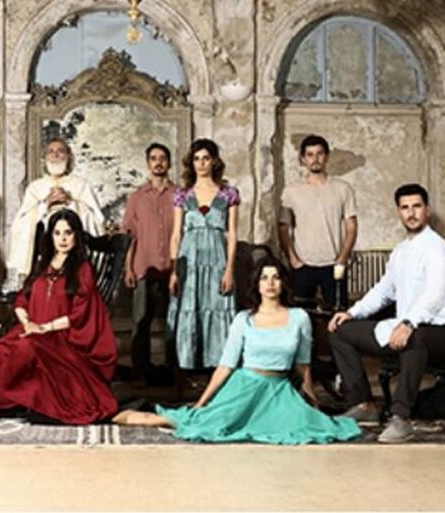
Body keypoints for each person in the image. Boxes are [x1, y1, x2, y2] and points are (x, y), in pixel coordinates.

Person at [114, 257, 361, 444]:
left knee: (315, 428)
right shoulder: (244, 319)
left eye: (275, 277)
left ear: (283, 283)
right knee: (198, 423)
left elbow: (303, 366)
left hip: (279, 391)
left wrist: (313, 404)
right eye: (264, 278)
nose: (270, 283)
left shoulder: (299, 318)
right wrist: (202, 402)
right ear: (257, 284)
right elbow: (226, 366)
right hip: (244, 388)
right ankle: (122, 415)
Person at [0, 209, 118, 429]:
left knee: (25, 348)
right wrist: (28, 323)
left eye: (68, 233)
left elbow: (80, 315)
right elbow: (21, 300)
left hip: (61, 338)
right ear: (50, 236)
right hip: (31, 330)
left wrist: (45, 328)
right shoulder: (43, 265)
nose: (62, 239)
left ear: (76, 235)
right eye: (57, 233)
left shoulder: (83, 269)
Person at [328, 184, 445, 443]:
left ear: (427, 210)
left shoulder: (437, 247)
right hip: (406, 326)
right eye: (405, 208)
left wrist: (409, 323)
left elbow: (434, 296)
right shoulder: (401, 250)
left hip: (443, 331)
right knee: (341, 332)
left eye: (417, 206)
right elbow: (384, 290)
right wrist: (352, 312)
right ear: (399, 212)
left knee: (416, 337)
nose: (411, 213)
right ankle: (364, 404)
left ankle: (402, 418)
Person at [168, 138, 238, 370]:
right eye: (197, 159)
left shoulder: (228, 194)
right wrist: (174, 270)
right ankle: (187, 366)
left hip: (217, 259)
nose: (201, 163)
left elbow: (233, 234)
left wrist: (229, 270)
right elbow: (176, 235)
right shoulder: (182, 194)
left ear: (214, 161)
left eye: (206, 158)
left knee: (218, 308)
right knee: (189, 307)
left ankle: (219, 368)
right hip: (189, 260)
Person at [7, 138, 104, 280]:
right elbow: (20, 223)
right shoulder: (35, 188)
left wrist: (71, 202)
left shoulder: (81, 185)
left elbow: (96, 219)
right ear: (45, 158)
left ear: (69, 156)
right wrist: (45, 205)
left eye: (60, 151)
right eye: (51, 151)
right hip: (43, 250)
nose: (56, 154)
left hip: (75, 251)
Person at [278, 134, 357, 309]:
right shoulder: (291, 191)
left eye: (319, 154)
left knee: (337, 314)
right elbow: (283, 228)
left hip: (334, 264)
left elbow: (351, 227)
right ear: (303, 159)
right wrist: (294, 260)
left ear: (326, 157)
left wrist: (342, 258)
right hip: (303, 264)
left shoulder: (343, 188)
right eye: (310, 154)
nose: (315, 159)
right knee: (300, 315)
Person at [121, 142, 177, 383]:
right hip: (144, 265)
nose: (158, 163)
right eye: (153, 158)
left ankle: (173, 372)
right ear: (148, 164)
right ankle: (140, 373)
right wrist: (128, 268)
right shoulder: (137, 198)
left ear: (169, 163)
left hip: (174, 268)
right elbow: (129, 235)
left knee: (175, 321)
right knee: (141, 321)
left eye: (162, 158)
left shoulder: (179, 195)